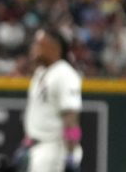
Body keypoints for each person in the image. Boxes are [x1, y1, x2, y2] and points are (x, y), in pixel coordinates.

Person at [22, 28, 83, 172]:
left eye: (38, 44)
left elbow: (71, 118)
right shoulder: (41, 72)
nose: (34, 48)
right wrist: (26, 144)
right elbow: (40, 117)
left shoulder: (65, 74)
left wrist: (70, 155)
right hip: (38, 149)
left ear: (53, 47)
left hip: (55, 151)